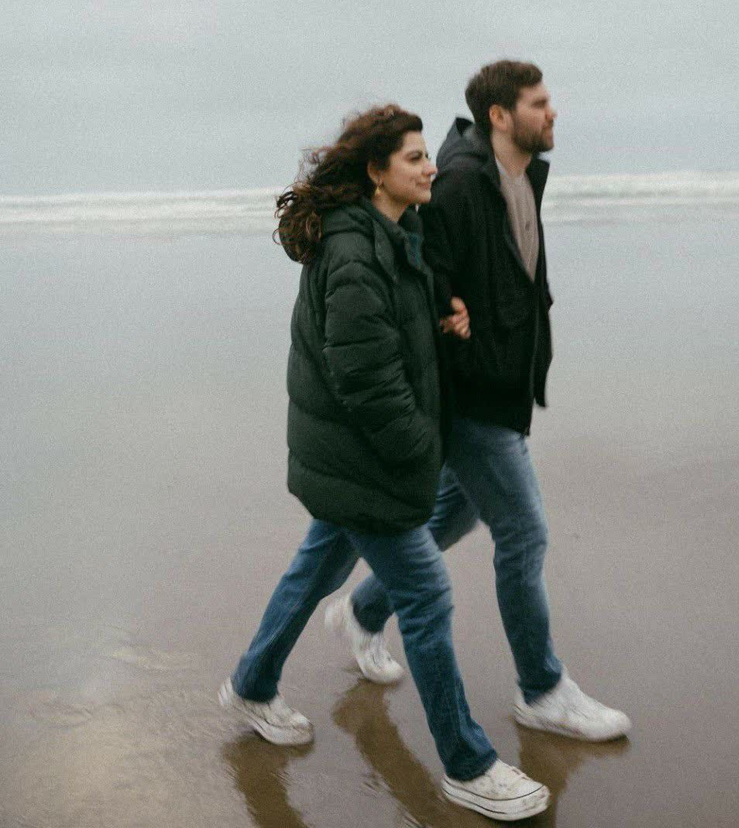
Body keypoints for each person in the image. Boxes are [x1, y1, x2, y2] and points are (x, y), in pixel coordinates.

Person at [219, 105, 550, 821]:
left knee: (318, 569)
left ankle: (251, 683)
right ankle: (467, 764)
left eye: (428, 155)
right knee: (426, 594)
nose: (431, 167)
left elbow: (394, 330)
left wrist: (444, 318)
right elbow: (365, 379)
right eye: (414, 158)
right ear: (376, 172)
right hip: (361, 458)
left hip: (347, 456)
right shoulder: (353, 254)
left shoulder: (396, 234)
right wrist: (421, 451)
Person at [327, 63, 632, 742]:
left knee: (453, 514)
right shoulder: (464, 180)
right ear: (500, 115)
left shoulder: (518, 176)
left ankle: (364, 610)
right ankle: (541, 689)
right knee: (524, 532)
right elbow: (415, 252)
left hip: (503, 383)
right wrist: (445, 309)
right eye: (539, 102)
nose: (553, 112)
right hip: (472, 392)